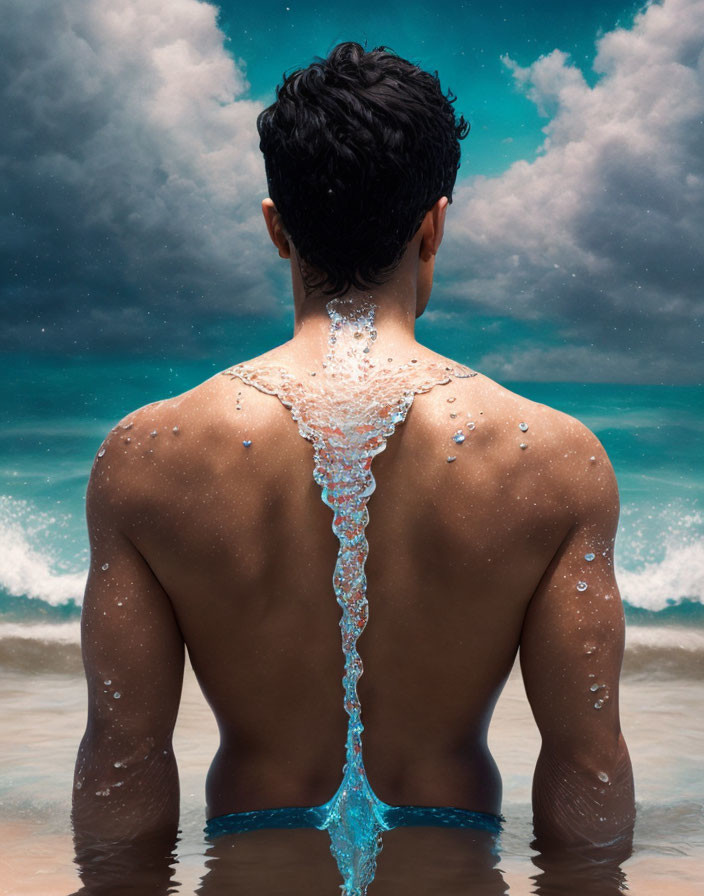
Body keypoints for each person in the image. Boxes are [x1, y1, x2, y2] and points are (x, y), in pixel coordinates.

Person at [72, 41, 635, 894]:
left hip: (251, 862)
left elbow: (124, 761)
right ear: (434, 223)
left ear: (276, 226)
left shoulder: (148, 455)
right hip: (451, 862)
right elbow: (587, 770)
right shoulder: (557, 458)